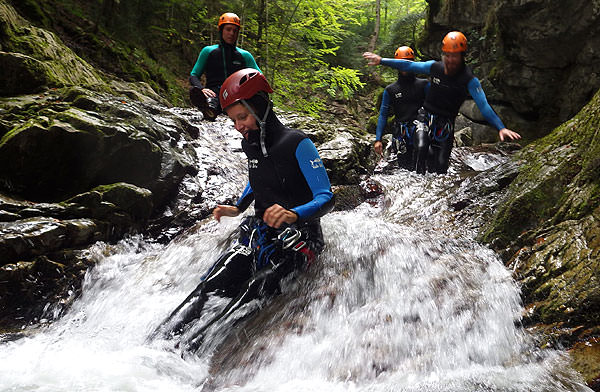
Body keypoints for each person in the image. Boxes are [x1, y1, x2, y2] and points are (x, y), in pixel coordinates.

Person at [152, 68, 334, 352]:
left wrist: (294, 214)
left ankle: (187, 355)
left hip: (301, 240)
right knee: (210, 285)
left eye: (242, 117)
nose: (238, 126)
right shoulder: (249, 144)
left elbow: (326, 197)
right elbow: (258, 179)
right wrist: (238, 208)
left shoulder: (298, 144)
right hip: (260, 234)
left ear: (260, 108)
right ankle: (154, 347)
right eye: (233, 119)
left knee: (252, 290)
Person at [364, 31, 521, 174]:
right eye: (447, 55)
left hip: (446, 122)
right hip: (425, 117)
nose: (450, 59)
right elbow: (409, 65)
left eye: (455, 56)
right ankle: (417, 183)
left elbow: (484, 105)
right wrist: (381, 60)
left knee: (440, 166)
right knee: (421, 147)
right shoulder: (435, 67)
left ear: (462, 56)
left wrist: (500, 127)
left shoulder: (469, 80)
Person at [189, 12, 260, 121]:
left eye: (235, 31)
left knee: (242, 102)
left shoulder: (245, 55)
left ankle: (217, 110)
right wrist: (201, 89)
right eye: (228, 29)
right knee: (208, 98)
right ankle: (209, 108)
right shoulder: (208, 51)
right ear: (221, 30)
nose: (231, 33)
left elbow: (259, 77)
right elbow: (194, 75)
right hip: (214, 92)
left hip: (236, 94)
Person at [374, 46, 428, 170]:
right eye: (401, 63)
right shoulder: (390, 90)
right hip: (401, 134)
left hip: (421, 130)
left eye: (407, 62)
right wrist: (378, 139)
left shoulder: (424, 85)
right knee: (405, 170)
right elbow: (383, 114)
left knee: (423, 167)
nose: (404, 66)